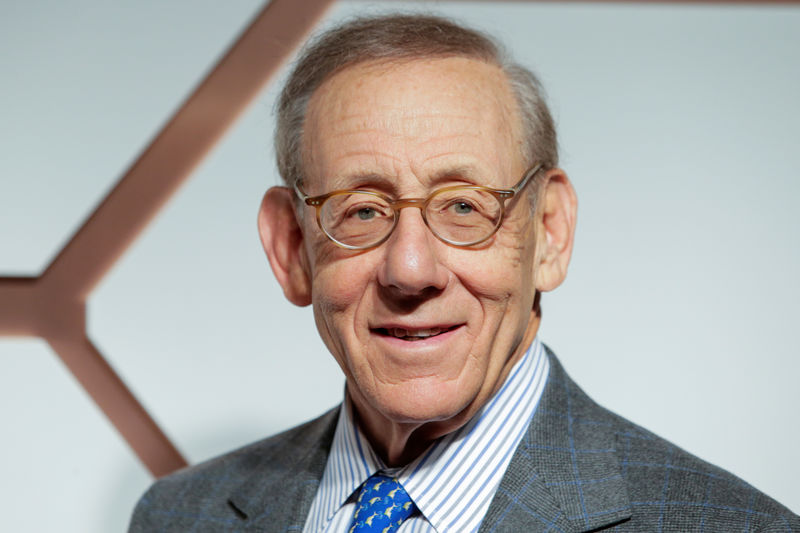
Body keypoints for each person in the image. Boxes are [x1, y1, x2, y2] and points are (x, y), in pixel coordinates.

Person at [129, 14, 799, 532]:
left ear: (550, 233)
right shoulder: (178, 515)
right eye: (361, 210)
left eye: (463, 206)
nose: (411, 269)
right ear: (290, 247)